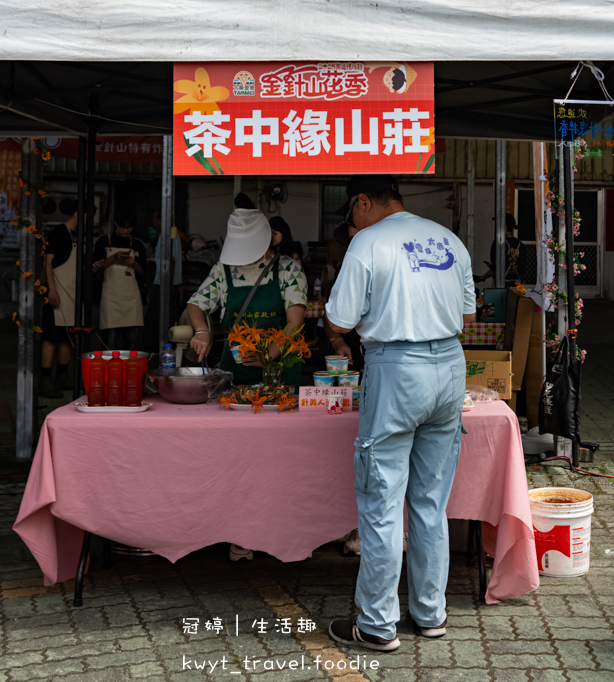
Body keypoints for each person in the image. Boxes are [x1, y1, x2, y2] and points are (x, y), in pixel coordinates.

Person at [324, 176, 476, 653]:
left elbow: (340, 320)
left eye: (353, 213)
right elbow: (468, 316)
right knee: (430, 501)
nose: (353, 223)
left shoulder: (368, 241)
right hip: (449, 365)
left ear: (362, 202)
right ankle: (431, 614)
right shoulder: (448, 239)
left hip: (397, 368)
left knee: (382, 501)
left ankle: (377, 625)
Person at [186, 208, 308, 562]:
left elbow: (295, 322)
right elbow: (196, 304)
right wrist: (202, 330)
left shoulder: (288, 270)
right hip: (236, 381)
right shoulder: (223, 270)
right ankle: (240, 533)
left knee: (283, 461)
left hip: (278, 381)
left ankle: (288, 533)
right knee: (237, 461)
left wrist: (269, 354)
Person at [40, 201, 80, 399]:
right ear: (78, 213)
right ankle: (45, 380)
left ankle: (62, 375)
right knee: (51, 338)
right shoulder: (59, 232)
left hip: (71, 294)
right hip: (56, 293)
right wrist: (52, 289)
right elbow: (47, 261)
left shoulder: (76, 236)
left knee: (67, 337)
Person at [93, 209, 146, 352]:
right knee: (110, 345)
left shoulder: (138, 244)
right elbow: (96, 267)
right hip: (110, 299)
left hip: (131, 300)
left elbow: (143, 271)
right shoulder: (104, 241)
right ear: (115, 224)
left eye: (129, 228)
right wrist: (113, 258)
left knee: (132, 346)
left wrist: (133, 262)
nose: (126, 230)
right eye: (123, 227)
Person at [474, 212, 527, 287]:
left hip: (501, 287)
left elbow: (496, 269)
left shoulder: (498, 244)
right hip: (516, 289)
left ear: (505, 227)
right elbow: (522, 270)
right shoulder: (521, 246)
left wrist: (481, 277)